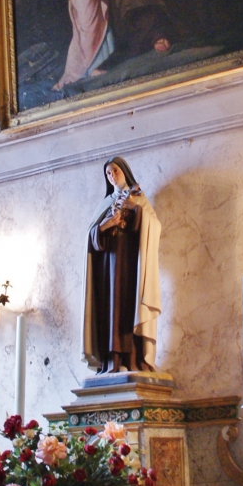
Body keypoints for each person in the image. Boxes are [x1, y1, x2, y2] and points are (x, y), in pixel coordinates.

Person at [82, 157, 161, 374]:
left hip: (130, 265)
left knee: (129, 306)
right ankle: (112, 360)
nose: (112, 176)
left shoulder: (138, 197)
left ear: (124, 171)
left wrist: (136, 210)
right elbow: (91, 236)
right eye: (108, 173)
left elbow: (154, 226)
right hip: (109, 266)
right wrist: (108, 224)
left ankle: (133, 358)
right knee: (110, 309)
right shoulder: (106, 202)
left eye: (115, 170)